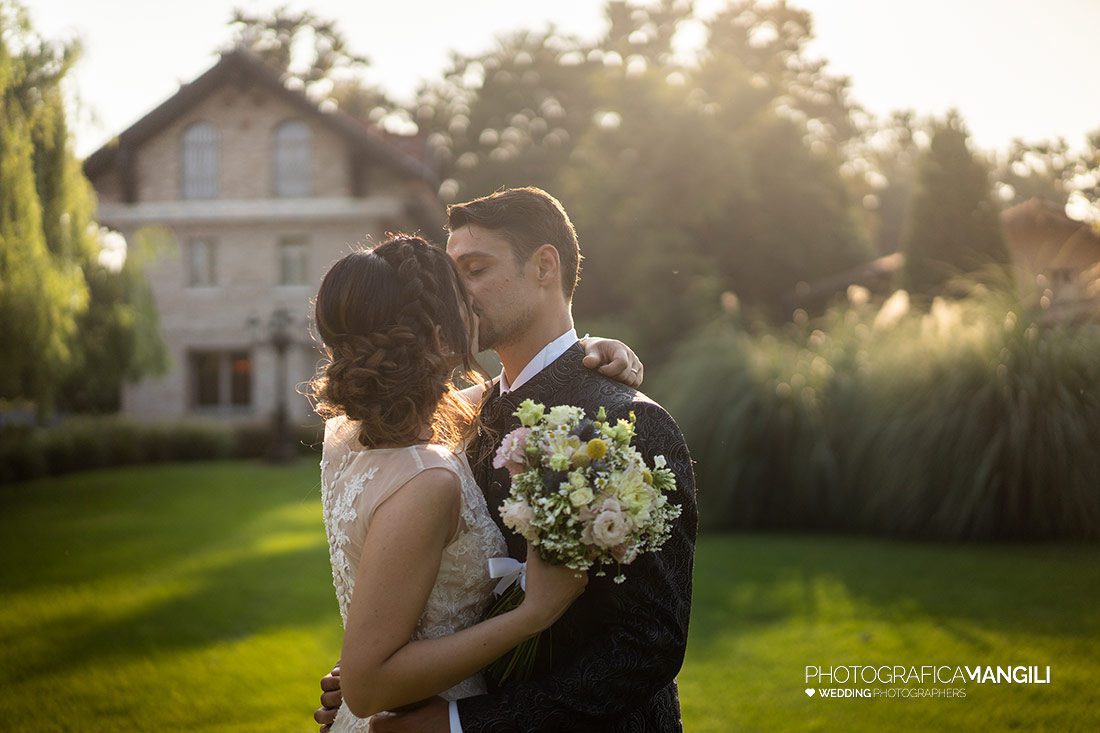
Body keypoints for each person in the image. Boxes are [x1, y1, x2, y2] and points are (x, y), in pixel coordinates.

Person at [315, 187, 698, 733]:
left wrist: (461, 723)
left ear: (544, 267)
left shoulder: (627, 423)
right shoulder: (453, 418)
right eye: (451, 277)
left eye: (474, 270)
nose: (458, 295)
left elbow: (647, 644)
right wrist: (379, 669)